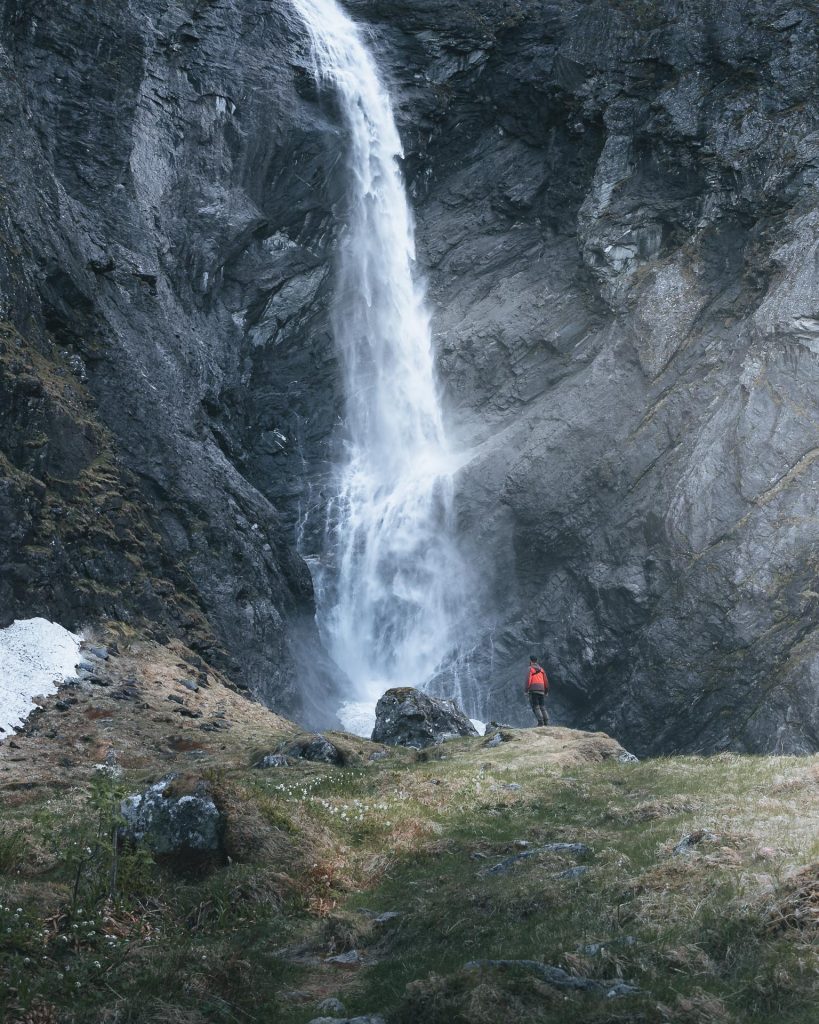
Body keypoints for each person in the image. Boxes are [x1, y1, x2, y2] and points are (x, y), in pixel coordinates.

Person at [525, 655, 549, 726]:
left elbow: (528, 680)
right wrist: (546, 691)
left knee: (536, 706)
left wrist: (526, 690)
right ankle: (546, 721)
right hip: (542, 690)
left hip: (534, 690)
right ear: (536, 661)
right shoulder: (542, 670)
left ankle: (540, 722)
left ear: (530, 661)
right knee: (542, 706)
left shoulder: (530, 668)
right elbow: (546, 681)